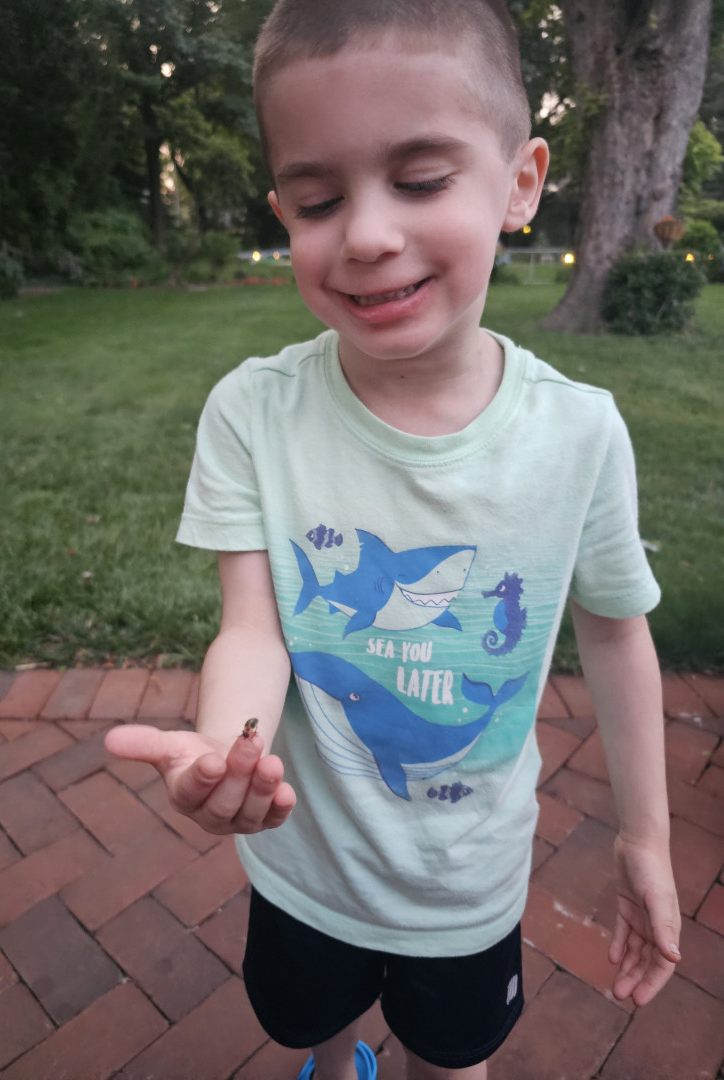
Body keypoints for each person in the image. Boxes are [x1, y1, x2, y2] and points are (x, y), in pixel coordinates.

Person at [105, 2, 682, 1077]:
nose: (366, 235)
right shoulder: (253, 413)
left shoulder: (580, 434)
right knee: (309, 1029)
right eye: (319, 200)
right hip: (303, 865)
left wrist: (645, 834)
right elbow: (254, 627)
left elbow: (614, 634)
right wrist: (231, 751)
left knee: (452, 1054)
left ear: (520, 183)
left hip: (467, 884)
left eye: (419, 180)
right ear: (283, 209)